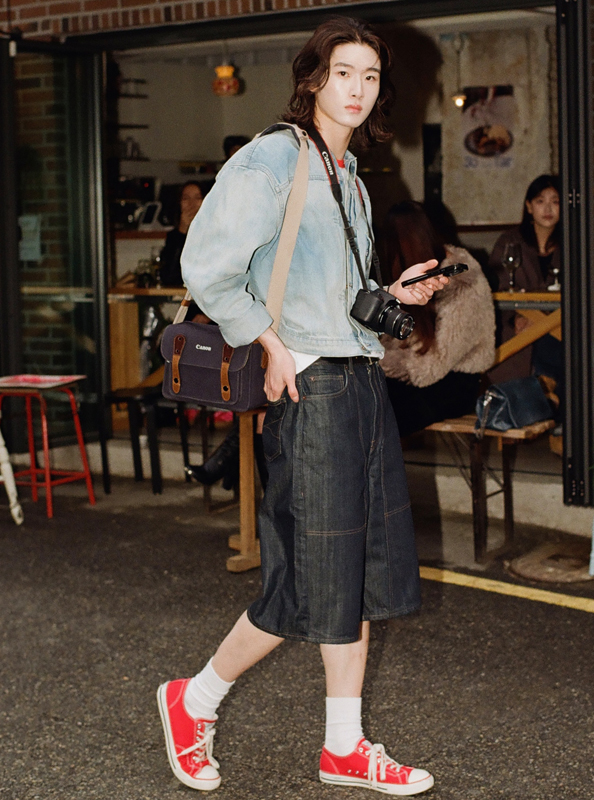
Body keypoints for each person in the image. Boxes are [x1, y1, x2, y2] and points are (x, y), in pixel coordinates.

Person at [157, 17, 447, 795]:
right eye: (343, 72)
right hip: (309, 389)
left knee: (352, 573)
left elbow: (333, 296)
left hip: (357, 382)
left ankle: (343, 746)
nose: (358, 89)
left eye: (371, 76)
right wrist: (268, 341)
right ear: (313, 78)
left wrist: (390, 295)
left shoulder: (346, 172)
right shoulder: (274, 157)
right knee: (309, 580)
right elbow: (205, 264)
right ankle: (194, 700)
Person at [381, 202, 495, 437]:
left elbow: (439, 360)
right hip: (418, 375)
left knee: (379, 412)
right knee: (366, 402)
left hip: (455, 380)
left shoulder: (463, 281)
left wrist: (385, 363)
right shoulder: (413, 275)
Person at [488, 175, 562, 413]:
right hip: (515, 328)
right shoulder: (510, 242)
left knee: (555, 340)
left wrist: (542, 319)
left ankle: (550, 400)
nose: (548, 209)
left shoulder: (572, 243)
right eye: (541, 201)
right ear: (529, 206)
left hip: (560, 327)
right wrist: (517, 317)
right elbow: (495, 288)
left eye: (555, 201)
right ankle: (545, 401)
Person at [159, 180, 204, 291]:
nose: (192, 204)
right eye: (186, 198)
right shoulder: (174, 237)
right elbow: (168, 277)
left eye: (198, 198)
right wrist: (182, 230)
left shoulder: (217, 234)